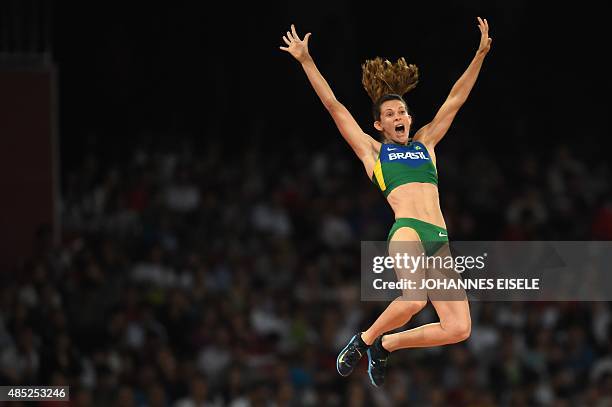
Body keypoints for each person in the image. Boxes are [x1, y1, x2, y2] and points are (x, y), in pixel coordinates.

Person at [280, 18, 492, 387]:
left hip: (438, 239)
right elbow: (334, 106)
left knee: (458, 328)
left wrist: (480, 54)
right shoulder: (374, 152)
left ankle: (386, 343)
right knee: (413, 300)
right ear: (378, 125)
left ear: (410, 119)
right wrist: (306, 61)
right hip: (408, 229)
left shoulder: (426, 144)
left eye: (403, 112)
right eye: (390, 114)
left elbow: (455, 99)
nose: (399, 117)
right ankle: (361, 341)